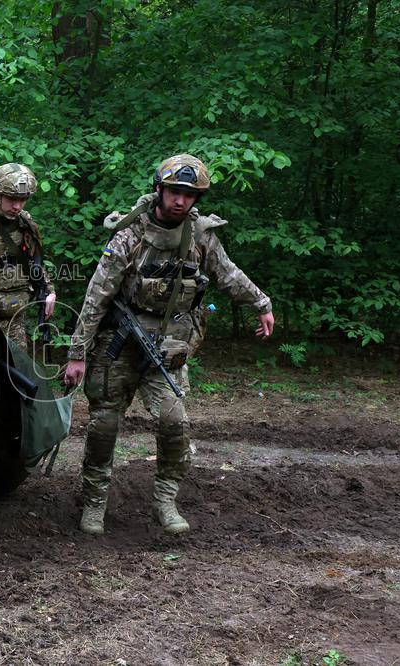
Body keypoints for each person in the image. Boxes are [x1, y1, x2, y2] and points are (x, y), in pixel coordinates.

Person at [63, 154, 275, 536]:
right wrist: (78, 353)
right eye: (175, 192)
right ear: (159, 190)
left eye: (189, 195)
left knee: (174, 423)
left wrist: (261, 303)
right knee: (104, 424)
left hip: (168, 344)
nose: (181, 201)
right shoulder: (130, 235)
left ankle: (165, 499)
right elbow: (96, 297)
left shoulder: (200, 236)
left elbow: (228, 275)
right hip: (119, 342)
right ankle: (94, 502)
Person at [0, 163, 55, 349]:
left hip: (16, 318)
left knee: (17, 373)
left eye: (23, 199)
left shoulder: (26, 223)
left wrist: (49, 290)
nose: (17, 206)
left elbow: (35, 263)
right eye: (11, 199)